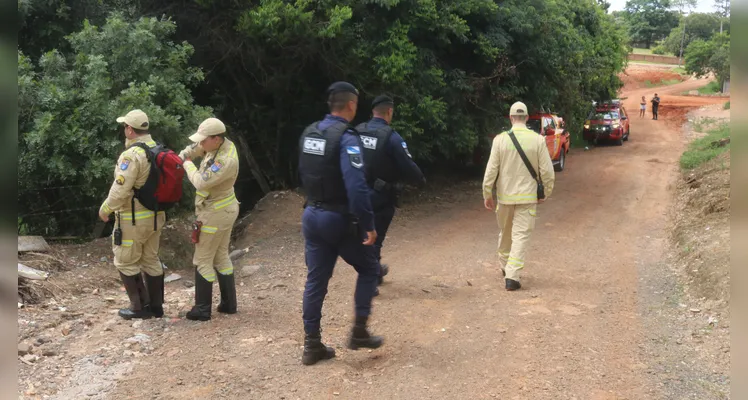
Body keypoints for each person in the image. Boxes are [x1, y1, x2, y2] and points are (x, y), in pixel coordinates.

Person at [297, 81, 383, 366]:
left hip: (311, 214)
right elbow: (357, 187)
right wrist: (369, 225)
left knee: (316, 280)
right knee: (370, 268)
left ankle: (312, 345)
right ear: (351, 105)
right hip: (337, 219)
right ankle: (359, 332)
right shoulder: (347, 137)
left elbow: (305, 171)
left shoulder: (310, 133)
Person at [99, 109, 166, 320]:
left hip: (132, 219)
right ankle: (156, 307)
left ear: (129, 129)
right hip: (156, 216)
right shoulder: (157, 149)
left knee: (125, 261)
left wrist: (106, 208)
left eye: (124, 127)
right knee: (150, 259)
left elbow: (120, 189)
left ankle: (139, 308)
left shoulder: (131, 155)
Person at [482, 102, 555, 291]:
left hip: (505, 198)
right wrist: (545, 192)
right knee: (520, 236)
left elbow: (491, 170)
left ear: (511, 117)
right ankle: (511, 276)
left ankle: (507, 268)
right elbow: (547, 171)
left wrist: (487, 193)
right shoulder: (537, 140)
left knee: (505, 233)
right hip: (527, 199)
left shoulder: (500, 140)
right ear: (528, 118)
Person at [355, 95, 426, 290]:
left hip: (356, 193)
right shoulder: (390, 137)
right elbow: (408, 165)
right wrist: (420, 180)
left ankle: (375, 270)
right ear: (389, 112)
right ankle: (371, 279)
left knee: (364, 234)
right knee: (374, 236)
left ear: (373, 112)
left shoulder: (357, 131)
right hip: (380, 196)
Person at [178, 118, 240, 321]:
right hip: (225, 210)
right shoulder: (219, 145)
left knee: (202, 259)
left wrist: (186, 163)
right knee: (221, 255)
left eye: (204, 140)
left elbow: (200, 182)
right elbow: (198, 149)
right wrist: (187, 152)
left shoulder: (225, 161)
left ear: (216, 138)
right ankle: (229, 304)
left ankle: (202, 309)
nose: (201, 144)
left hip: (215, 213)